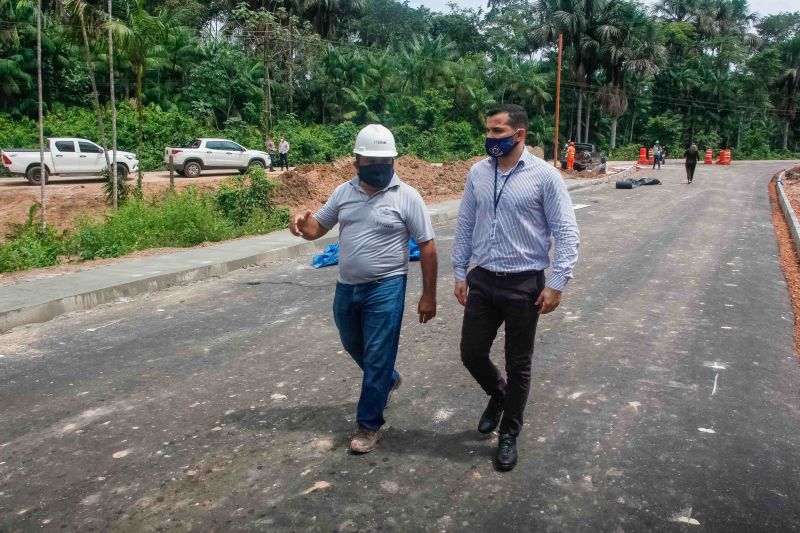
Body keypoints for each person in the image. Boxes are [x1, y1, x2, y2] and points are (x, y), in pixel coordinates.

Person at [289, 124, 438, 454]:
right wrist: (302, 224)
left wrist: (428, 295)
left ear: (394, 162)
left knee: (376, 354)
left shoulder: (407, 197)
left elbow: (427, 246)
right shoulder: (344, 192)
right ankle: (386, 378)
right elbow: (318, 227)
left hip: (387, 287)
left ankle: (369, 425)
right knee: (352, 342)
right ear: (356, 163)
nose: (380, 169)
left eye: (385, 163)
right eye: (371, 163)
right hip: (347, 288)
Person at [452, 104, 580, 471]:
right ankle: (499, 393)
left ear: (518, 134)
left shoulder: (544, 177)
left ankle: (509, 433)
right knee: (471, 353)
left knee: (518, 362)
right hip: (483, 278)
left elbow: (566, 231)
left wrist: (557, 283)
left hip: (525, 283)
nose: (490, 138)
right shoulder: (477, 173)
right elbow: (464, 225)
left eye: (497, 132)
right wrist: (460, 272)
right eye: (488, 131)